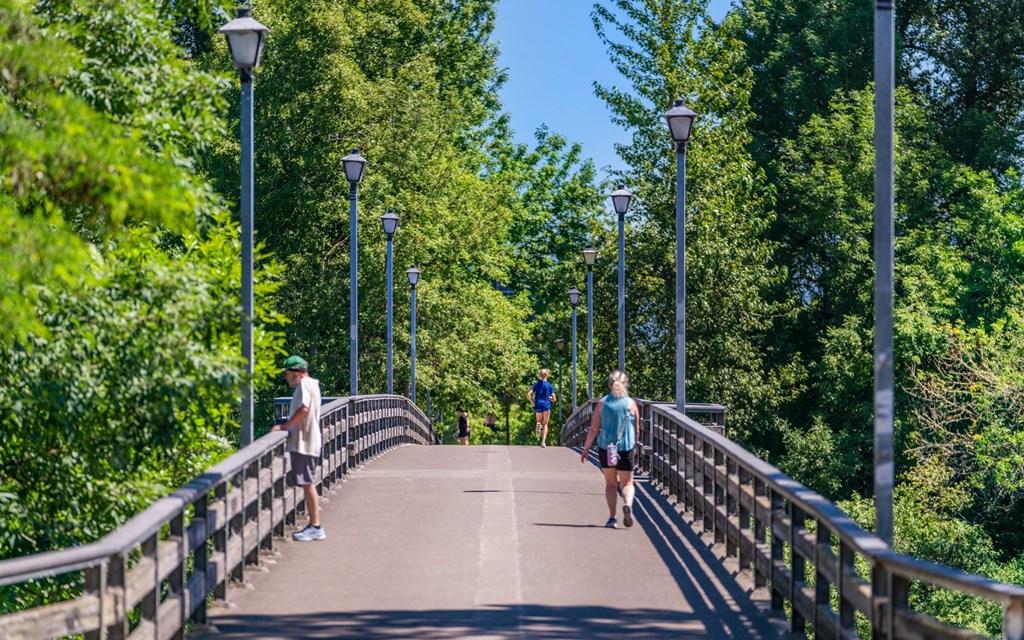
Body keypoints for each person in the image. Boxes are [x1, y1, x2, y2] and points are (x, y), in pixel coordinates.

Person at [272, 355, 324, 541]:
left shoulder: (304, 384)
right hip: (307, 441)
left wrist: (285, 426)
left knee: (308, 483)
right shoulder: (311, 384)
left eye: (287, 374)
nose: (286, 378)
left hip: (305, 442)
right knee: (307, 483)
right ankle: (314, 526)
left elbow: (304, 409)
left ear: (296, 372)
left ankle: (315, 526)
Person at [580, 370, 640, 529]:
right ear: (625, 385)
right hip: (625, 449)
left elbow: (594, 429)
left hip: (607, 449)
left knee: (611, 484)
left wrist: (586, 449)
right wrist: (634, 447)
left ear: (609, 385)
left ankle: (612, 519)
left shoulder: (602, 403)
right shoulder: (631, 404)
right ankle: (628, 504)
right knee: (627, 483)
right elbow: (637, 429)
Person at [526, 368, 556, 447]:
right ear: (547, 375)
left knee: (539, 421)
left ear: (540, 375)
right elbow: (554, 399)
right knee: (545, 424)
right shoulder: (549, 386)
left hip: (538, 405)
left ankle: (538, 424)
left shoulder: (537, 384)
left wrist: (533, 403)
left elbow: (528, 395)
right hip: (546, 405)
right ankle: (543, 442)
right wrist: (549, 398)